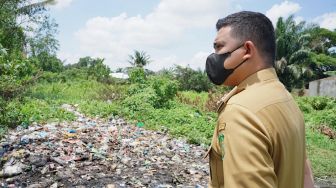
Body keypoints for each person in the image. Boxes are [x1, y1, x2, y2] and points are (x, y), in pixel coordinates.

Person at [204, 11, 314, 188]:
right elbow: (305, 173)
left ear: (247, 50)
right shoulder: (285, 98)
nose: (214, 56)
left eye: (219, 47)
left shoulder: (241, 112)